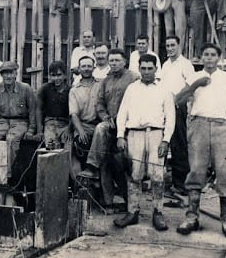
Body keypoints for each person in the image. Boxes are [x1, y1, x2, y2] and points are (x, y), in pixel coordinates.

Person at [175, 42, 226, 238]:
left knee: (224, 171)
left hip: (220, 126)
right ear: (201, 58)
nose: (209, 58)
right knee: (196, 170)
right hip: (198, 125)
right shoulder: (194, 76)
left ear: (218, 58)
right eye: (205, 54)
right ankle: (192, 216)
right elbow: (178, 99)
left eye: (212, 55)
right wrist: (195, 85)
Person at [113, 54, 175, 231]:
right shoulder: (132, 89)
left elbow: (171, 118)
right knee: (135, 174)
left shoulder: (164, 89)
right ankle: (133, 212)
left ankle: (158, 212)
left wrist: (166, 140)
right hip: (135, 134)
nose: (147, 72)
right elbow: (122, 114)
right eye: (143, 68)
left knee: (157, 176)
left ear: (156, 69)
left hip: (156, 134)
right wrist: (120, 135)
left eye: (150, 68)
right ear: (139, 69)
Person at [78, 49, 138, 208]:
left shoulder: (134, 78)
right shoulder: (106, 80)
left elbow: (138, 103)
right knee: (104, 156)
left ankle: (130, 203)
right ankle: (107, 200)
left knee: (123, 165)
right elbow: (99, 103)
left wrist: (123, 121)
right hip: (109, 125)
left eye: (117, 60)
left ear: (124, 61)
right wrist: (105, 117)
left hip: (128, 127)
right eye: (111, 61)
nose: (114, 64)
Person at [0, 61, 38, 185]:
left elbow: (32, 110)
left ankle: (8, 176)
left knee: (11, 139)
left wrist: (31, 129)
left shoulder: (25, 88)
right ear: (1, 75)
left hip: (20, 121)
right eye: (5, 74)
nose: (8, 76)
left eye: (11, 73)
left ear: (16, 74)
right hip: (2, 121)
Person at [158, 35, 195, 195]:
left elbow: (191, 86)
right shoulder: (165, 65)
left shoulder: (185, 64)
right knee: (166, 142)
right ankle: (165, 181)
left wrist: (178, 99)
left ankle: (181, 185)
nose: (170, 48)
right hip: (165, 107)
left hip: (179, 107)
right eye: (167, 45)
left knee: (179, 144)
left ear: (179, 45)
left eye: (173, 45)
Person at [68, 56, 102, 178]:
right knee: (81, 145)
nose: (86, 69)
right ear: (79, 68)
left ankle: (98, 176)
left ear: (94, 67)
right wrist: (80, 131)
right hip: (84, 125)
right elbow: (74, 114)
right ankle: (89, 179)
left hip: (99, 125)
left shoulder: (101, 84)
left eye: (89, 66)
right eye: (83, 66)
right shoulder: (74, 90)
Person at [36, 61, 70, 150]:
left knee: (68, 148)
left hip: (65, 124)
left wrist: (70, 129)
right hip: (50, 123)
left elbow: (74, 112)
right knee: (51, 148)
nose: (56, 78)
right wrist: (40, 130)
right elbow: (38, 109)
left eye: (59, 75)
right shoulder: (45, 89)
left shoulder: (70, 90)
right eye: (53, 75)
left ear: (65, 75)